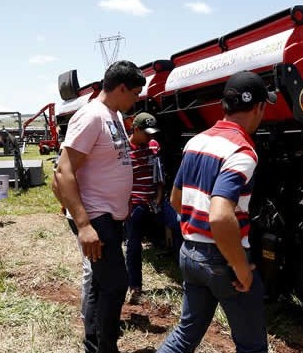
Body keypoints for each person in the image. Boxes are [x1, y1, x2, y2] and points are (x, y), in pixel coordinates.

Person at [158, 71, 276, 353]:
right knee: (252, 347)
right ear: (258, 107)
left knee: (185, 336)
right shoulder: (242, 152)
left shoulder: (196, 141)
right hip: (221, 260)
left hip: (190, 254)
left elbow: (176, 199)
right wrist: (240, 267)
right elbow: (220, 215)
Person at [53, 60, 146, 353]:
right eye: (134, 92)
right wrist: (83, 225)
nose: (136, 99)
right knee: (117, 285)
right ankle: (105, 348)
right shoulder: (92, 116)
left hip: (110, 215)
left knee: (98, 283)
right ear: (120, 88)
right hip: (95, 216)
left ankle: (94, 346)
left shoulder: (113, 116)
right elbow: (63, 171)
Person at [124, 112, 163, 304]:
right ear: (136, 129)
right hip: (136, 203)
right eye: (146, 133)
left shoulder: (154, 146)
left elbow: (159, 173)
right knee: (133, 245)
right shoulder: (124, 151)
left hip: (154, 200)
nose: (150, 138)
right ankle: (135, 287)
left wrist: (158, 196)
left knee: (180, 224)